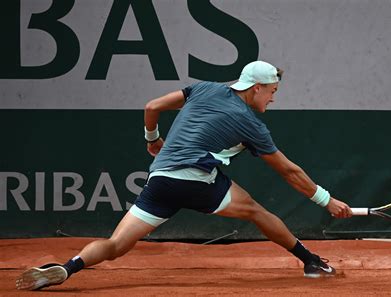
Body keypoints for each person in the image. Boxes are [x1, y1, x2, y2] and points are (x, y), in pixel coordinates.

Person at [16, 61, 352, 291]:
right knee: (256, 212)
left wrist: (152, 140)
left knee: (117, 245)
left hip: (159, 179)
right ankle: (311, 262)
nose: (274, 97)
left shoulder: (204, 89)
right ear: (257, 88)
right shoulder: (251, 124)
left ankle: (68, 268)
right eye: (273, 90)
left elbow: (151, 107)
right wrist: (327, 200)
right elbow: (289, 172)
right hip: (195, 178)